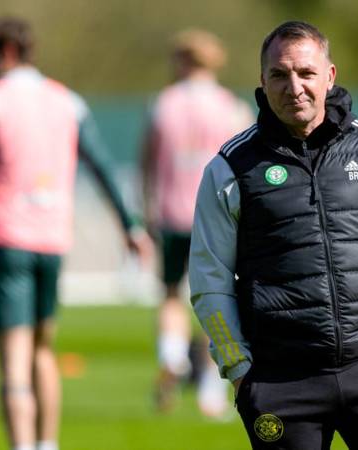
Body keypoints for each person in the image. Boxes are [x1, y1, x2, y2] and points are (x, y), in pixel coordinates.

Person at [189, 21, 358, 449]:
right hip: (282, 381)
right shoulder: (229, 168)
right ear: (262, 81)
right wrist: (240, 370)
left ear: (330, 76)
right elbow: (209, 280)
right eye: (279, 75)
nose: (294, 87)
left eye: (306, 73)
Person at [0, 17, 150, 450]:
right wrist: (129, 224)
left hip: (6, 238)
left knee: (13, 364)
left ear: (4, 53)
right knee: (43, 350)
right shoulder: (68, 101)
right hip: (53, 240)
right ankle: (47, 443)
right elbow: (102, 166)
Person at [140, 28, 253, 416]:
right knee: (217, 296)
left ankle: (172, 356)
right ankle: (210, 387)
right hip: (218, 216)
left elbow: (146, 162)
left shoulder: (163, 104)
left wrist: (147, 208)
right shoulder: (231, 107)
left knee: (171, 294)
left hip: (172, 213)